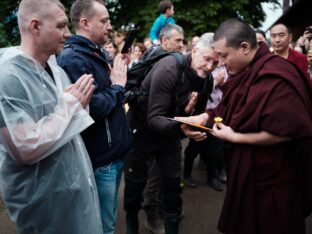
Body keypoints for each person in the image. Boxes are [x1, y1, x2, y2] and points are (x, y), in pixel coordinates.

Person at [176, 18, 312, 234]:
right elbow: (228, 107)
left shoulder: (276, 74)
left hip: (274, 178)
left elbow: (290, 131)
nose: (220, 62)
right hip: (248, 171)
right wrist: (204, 117)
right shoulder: (245, 72)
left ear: (245, 48)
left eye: (224, 55)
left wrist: (236, 138)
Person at [0, 0, 103, 233]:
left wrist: (77, 105)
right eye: (61, 26)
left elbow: (68, 123)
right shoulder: (8, 78)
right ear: (35, 26)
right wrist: (70, 105)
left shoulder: (55, 68)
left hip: (71, 190)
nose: (68, 34)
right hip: (40, 203)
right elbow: (24, 147)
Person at [124, 33, 218, 234]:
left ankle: (170, 222)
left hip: (169, 134)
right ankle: (131, 223)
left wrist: (195, 126)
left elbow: (195, 115)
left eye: (216, 62)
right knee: (135, 185)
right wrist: (184, 124)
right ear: (194, 51)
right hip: (142, 131)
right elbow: (154, 119)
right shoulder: (169, 68)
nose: (210, 66)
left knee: (173, 185)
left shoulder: (206, 79)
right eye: (207, 59)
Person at [57, 1, 133, 234]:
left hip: (115, 153)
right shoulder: (73, 58)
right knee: (102, 226)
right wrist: (118, 87)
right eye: (104, 21)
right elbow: (92, 107)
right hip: (102, 160)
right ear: (85, 23)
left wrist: (119, 75)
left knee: (107, 220)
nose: (109, 26)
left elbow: (109, 93)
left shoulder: (95, 52)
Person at [142, 23, 184, 234]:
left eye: (182, 41)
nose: (181, 45)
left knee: (167, 173)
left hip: (167, 127)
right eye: (177, 40)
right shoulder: (156, 60)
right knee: (154, 175)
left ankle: (166, 210)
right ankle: (151, 216)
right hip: (151, 130)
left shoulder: (176, 63)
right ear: (164, 40)